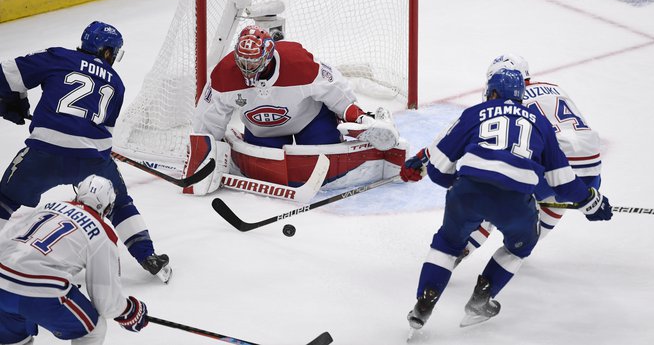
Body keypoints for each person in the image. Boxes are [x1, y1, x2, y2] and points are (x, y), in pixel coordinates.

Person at [399, 68, 612, 331]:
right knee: (519, 247)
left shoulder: (474, 113)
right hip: (515, 202)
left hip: (467, 193)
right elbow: (564, 183)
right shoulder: (540, 123)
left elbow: (437, 167)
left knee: (446, 244)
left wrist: (459, 184)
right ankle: (482, 298)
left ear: (494, 92)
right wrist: (592, 202)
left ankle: (424, 303)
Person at [0, 21, 171, 282]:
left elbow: (6, 74)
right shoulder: (117, 83)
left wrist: (13, 100)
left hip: (42, 154)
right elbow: (105, 138)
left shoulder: (58, 56)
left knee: (6, 198)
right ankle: (147, 254)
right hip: (91, 160)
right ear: (107, 52)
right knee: (120, 202)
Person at [186, 24, 400, 194]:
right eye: (243, 61)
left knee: (324, 157)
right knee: (265, 168)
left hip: (309, 119)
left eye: (253, 62)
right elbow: (210, 116)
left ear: (268, 55)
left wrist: (355, 114)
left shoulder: (297, 61)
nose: (247, 68)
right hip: (262, 129)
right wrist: (203, 152)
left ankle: (369, 124)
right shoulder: (224, 74)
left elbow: (334, 87)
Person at [458, 54, 602, 262]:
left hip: (554, 167)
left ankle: (462, 248)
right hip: (592, 170)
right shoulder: (554, 87)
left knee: (495, 189)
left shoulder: (510, 99)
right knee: (554, 197)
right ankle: (524, 243)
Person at [0, 175, 149, 345]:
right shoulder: (102, 233)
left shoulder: (47, 207)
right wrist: (129, 310)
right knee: (92, 330)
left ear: (78, 195)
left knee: (15, 339)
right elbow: (106, 303)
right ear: (107, 208)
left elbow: (7, 238)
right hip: (38, 292)